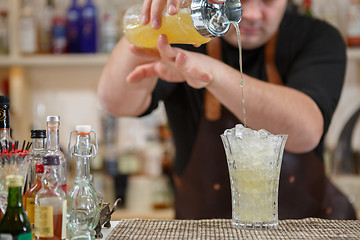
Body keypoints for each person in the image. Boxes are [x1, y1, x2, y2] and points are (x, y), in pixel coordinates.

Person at [98, 0, 357, 220]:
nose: (252, 14)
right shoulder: (187, 32)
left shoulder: (316, 37)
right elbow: (116, 101)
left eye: (268, 0)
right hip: (201, 230)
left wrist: (210, 73)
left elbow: (305, 131)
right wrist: (155, 18)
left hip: (307, 228)